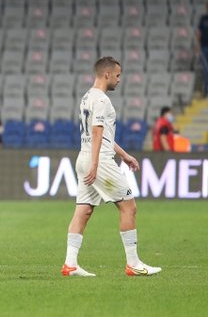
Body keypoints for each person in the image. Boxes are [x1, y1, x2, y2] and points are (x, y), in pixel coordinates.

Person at [62, 57, 161, 277]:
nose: (119, 79)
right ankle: (133, 264)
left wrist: (124, 155)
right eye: (117, 75)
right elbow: (97, 131)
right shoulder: (102, 100)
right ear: (107, 74)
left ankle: (70, 264)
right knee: (129, 207)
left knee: (84, 209)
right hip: (99, 161)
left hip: (84, 157)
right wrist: (97, 164)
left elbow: (102, 134)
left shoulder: (87, 96)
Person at [195, 2, 208, 95]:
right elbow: (199, 33)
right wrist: (197, 46)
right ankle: (207, 91)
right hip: (204, 47)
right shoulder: (203, 19)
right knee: (205, 69)